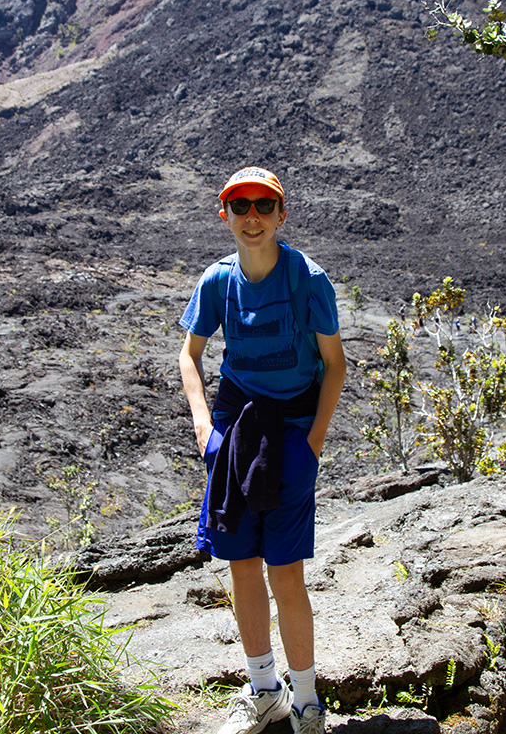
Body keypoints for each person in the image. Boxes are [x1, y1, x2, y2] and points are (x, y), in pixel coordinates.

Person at [179, 166, 346, 734]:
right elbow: (189, 355)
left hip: (291, 433)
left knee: (286, 572)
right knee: (242, 566)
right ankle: (264, 693)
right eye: (240, 206)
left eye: (264, 206)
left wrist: (314, 443)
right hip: (233, 433)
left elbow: (335, 365)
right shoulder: (216, 281)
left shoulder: (308, 279)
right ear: (224, 213)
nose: (253, 217)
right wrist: (206, 429)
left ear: (282, 214)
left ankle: (306, 702)